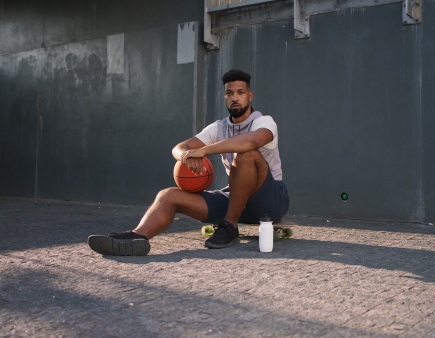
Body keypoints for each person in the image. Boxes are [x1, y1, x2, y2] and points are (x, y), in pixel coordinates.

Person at [88, 69, 289, 255]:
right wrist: (188, 156)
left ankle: (229, 227)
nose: (234, 97)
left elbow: (252, 141)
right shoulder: (219, 127)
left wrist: (202, 151)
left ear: (249, 96)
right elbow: (179, 147)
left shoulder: (263, 121)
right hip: (235, 199)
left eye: (240, 92)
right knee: (169, 195)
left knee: (246, 153)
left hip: (269, 202)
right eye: (229, 93)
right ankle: (136, 238)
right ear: (225, 97)